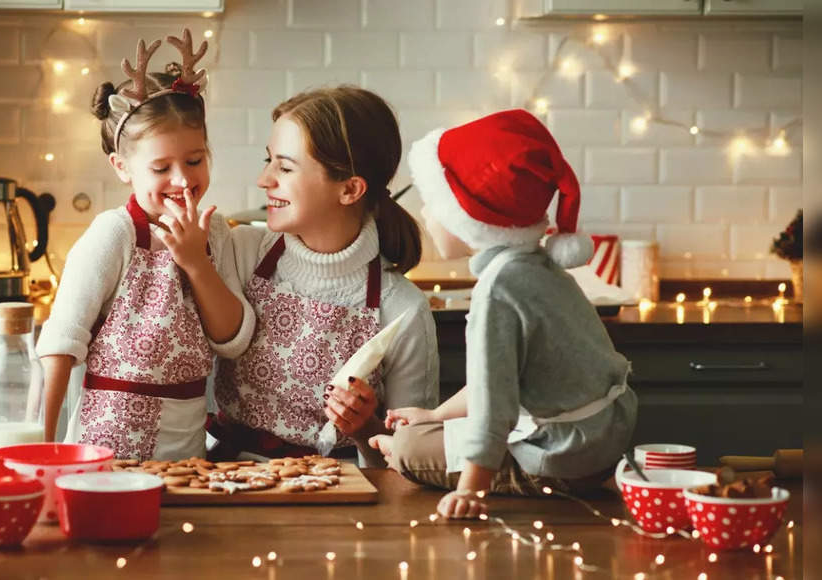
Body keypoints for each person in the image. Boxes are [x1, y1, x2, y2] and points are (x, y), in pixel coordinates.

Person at [368, 109, 638, 518]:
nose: (424, 214)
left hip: (559, 456)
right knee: (427, 428)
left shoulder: (498, 291)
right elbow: (497, 381)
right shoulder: (539, 266)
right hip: (598, 440)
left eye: (433, 203)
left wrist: (471, 490)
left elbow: (496, 406)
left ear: (470, 217)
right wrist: (436, 415)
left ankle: (407, 454)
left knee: (409, 446)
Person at [35, 30, 255, 461]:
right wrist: (42, 444)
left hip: (186, 448)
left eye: (195, 160)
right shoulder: (113, 234)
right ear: (122, 167)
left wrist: (197, 264)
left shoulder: (216, 235)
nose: (182, 179)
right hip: (107, 444)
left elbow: (232, 339)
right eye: (161, 167)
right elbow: (62, 340)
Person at [208, 86, 439, 465]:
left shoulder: (403, 310)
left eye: (284, 167)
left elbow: (410, 464)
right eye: (269, 161)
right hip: (227, 477)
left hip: (337, 497)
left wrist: (366, 429)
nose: (264, 180)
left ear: (349, 189)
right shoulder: (242, 253)